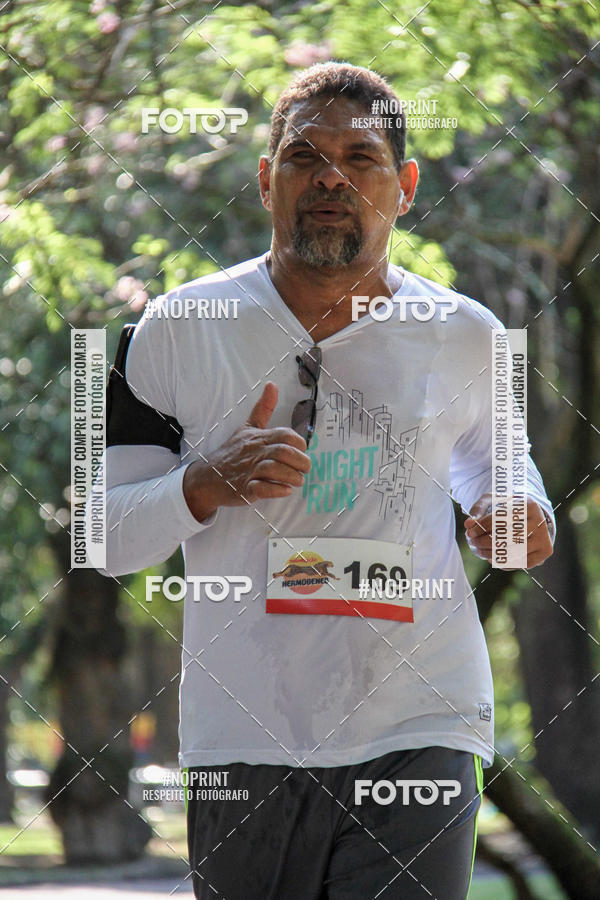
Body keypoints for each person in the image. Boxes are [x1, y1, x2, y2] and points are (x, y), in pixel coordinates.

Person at [102, 62, 554, 899]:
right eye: (305, 157)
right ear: (266, 179)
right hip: (244, 736)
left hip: (421, 721)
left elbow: (502, 471)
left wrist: (521, 516)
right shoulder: (170, 329)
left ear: (404, 186)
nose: (331, 178)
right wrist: (201, 486)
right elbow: (104, 534)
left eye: (361, 157)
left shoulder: (470, 334)